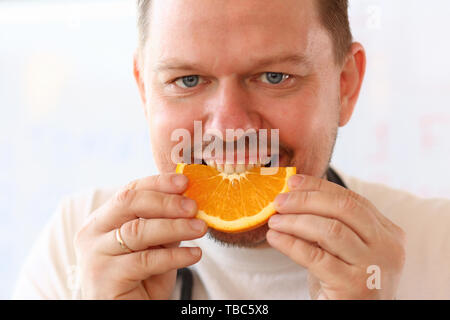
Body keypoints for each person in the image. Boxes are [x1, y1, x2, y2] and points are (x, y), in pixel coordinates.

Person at [13, 0, 450, 300]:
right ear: (145, 91)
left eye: (275, 76)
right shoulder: (78, 246)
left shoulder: (439, 247)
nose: (231, 128)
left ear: (346, 85)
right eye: (187, 80)